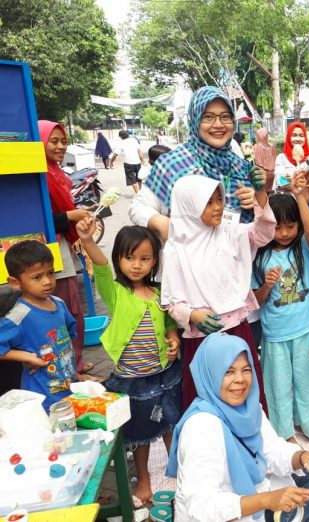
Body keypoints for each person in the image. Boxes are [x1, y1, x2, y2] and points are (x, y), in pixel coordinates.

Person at [166, 333, 309, 522]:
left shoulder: (249, 408)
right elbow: (202, 507)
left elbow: (271, 450)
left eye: (246, 370)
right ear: (210, 375)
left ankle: (295, 515)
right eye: (228, 372)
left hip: (256, 494)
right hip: (226, 515)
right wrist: (266, 500)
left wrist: (302, 458)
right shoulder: (200, 427)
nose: (240, 379)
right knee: (284, 503)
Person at [76, 219, 182, 504]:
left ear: (155, 261)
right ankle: (144, 479)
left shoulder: (160, 293)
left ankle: (179, 471)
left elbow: (170, 323)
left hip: (165, 373)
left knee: (171, 423)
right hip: (133, 380)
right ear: (118, 259)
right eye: (130, 257)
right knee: (140, 433)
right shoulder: (116, 292)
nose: (137, 265)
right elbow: (100, 267)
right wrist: (88, 240)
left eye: (145, 258)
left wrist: (174, 338)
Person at [161, 174, 274, 410]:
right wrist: (193, 315)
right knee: (208, 398)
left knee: (245, 392)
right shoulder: (175, 248)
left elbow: (263, 234)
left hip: (237, 330)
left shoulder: (230, 232)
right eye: (209, 202)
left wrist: (260, 194)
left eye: (220, 199)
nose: (218, 207)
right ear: (190, 206)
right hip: (203, 338)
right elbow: (172, 302)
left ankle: (249, 433)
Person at [128, 85, 256, 241]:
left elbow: (259, 228)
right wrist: (162, 224)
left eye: (225, 117)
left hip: (237, 254)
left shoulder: (241, 167)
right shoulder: (172, 164)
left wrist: (256, 201)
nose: (218, 124)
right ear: (195, 120)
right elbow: (138, 207)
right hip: (186, 254)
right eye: (208, 117)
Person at [251, 187, 309, 442]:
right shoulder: (259, 256)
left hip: (306, 328)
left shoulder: (303, 248)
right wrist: (267, 286)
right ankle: (283, 433)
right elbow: (256, 300)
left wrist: (300, 196)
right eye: (276, 227)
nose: (283, 233)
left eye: (290, 226)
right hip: (275, 334)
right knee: (277, 386)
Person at [38, 120, 90, 374]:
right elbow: (41, 218)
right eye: (54, 141)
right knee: (66, 309)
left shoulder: (57, 174)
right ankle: (69, 367)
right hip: (51, 250)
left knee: (71, 308)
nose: (60, 147)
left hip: (63, 247)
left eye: (64, 141)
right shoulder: (40, 177)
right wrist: (71, 216)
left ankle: (74, 362)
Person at [0, 241, 77, 411]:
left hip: (69, 388)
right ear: (15, 282)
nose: (47, 281)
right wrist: (25, 357)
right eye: (37, 277)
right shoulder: (19, 314)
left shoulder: (59, 303)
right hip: (41, 396)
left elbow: (70, 336)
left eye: (50, 273)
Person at [114, 130, 146, 194]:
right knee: (139, 178)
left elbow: (115, 154)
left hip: (128, 163)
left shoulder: (120, 143)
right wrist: (143, 160)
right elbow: (139, 151)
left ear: (121, 136)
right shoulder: (134, 140)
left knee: (132, 180)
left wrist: (111, 162)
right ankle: (141, 193)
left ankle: (138, 193)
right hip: (137, 162)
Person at [253, 127, 278, 192]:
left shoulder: (256, 146)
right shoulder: (272, 146)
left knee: (263, 191)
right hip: (273, 173)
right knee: (272, 190)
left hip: (263, 173)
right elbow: (276, 158)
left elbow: (257, 161)